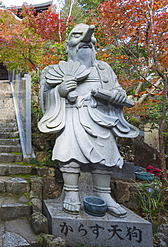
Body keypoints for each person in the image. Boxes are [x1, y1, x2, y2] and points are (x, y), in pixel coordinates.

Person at [38, 24, 139, 218]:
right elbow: (45, 98)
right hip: (71, 116)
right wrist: (59, 92)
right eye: (77, 36)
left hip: (99, 117)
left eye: (90, 40)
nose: (86, 40)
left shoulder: (103, 69)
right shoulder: (55, 70)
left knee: (105, 156)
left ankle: (104, 194)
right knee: (69, 153)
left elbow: (118, 89)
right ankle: (71, 192)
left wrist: (116, 96)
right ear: (67, 46)